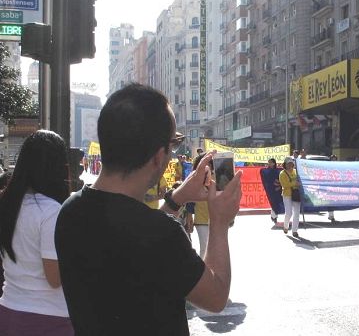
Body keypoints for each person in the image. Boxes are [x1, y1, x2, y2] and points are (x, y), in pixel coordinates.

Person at [55, 84, 242, 336]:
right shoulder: (162, 234)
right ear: (158, 155)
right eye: (173, 143)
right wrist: (219, 223)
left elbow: (134, 238)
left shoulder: (70, 211)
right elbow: (216, 297)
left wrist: (177, 198)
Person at [0, 130, 73, 336]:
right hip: (47, 319)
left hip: (8, 311)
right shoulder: (50, 211)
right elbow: (54, 279)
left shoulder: (8, 205)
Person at [185, 153, 213, 258]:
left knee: (214, 250)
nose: (207, 166)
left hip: (215, 219)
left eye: (209, 163)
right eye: (204, 163)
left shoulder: (217, 177)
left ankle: (213, 273)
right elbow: (189, 201)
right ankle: (205, 273)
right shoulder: (194, 178)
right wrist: (189, 217)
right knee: (204, 248)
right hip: (201, 220)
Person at [279, 156, 301, 238]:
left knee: (297, 213)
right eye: (288, 163)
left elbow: (300, 181)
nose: (290, 165)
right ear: (285, 164)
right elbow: (285, 185)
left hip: (297, 194)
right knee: (289, 213)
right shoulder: (282, 173)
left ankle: (294, 231)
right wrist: (295, 183)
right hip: (287, 195)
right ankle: (285, 226)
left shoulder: (297, 172)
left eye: (291, 163)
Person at [267, 158, 279, 224]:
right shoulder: (266, 171)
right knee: (273, 202)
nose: (269, 163)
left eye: (271, 162)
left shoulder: (277, 171)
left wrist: (277, 185)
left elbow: (279, 178)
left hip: (277, 188)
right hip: (270, 189)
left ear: (274, 163)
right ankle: (274, 216)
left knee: (276, 202)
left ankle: (274, 216)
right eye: (268, 162)